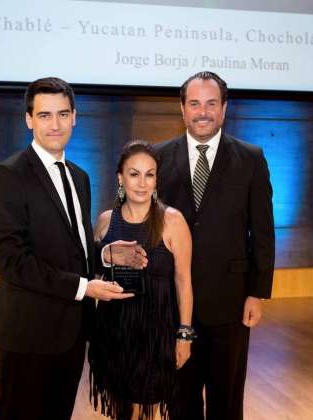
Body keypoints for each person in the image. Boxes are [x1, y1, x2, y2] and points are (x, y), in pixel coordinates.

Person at [0, 77, 146, 420]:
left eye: (62, 114)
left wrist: (103, 253)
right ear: (28, 119)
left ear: (75, 116)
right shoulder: (7, 176)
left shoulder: (79, 176)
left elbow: (72, 245)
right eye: (44, 115)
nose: (54, 124)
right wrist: (85, 287)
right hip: (28, 333)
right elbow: (12, 261)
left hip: (71, 332)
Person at [155, 71, 275, 420]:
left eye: (211, 103)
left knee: (226, 401)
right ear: (182, 109)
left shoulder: (251, 158)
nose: (202, 112)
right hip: (174, 305)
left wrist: (257, 292)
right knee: (180, 400)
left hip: (231, 302)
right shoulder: (158, 158)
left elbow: (263, 231)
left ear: (224, 109)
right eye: (194, 104)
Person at [89, 140, 195, 420]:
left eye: (150, 174)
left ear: (157, 179)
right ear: (120, 178)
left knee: (149, 403)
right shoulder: (104, 222)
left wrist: (184, 335)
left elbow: (184, 281)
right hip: (114, 329)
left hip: (156, 332)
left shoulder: (173, 221)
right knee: (123, 409)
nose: (142, 182)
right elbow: (93, 274)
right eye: (134, 174)